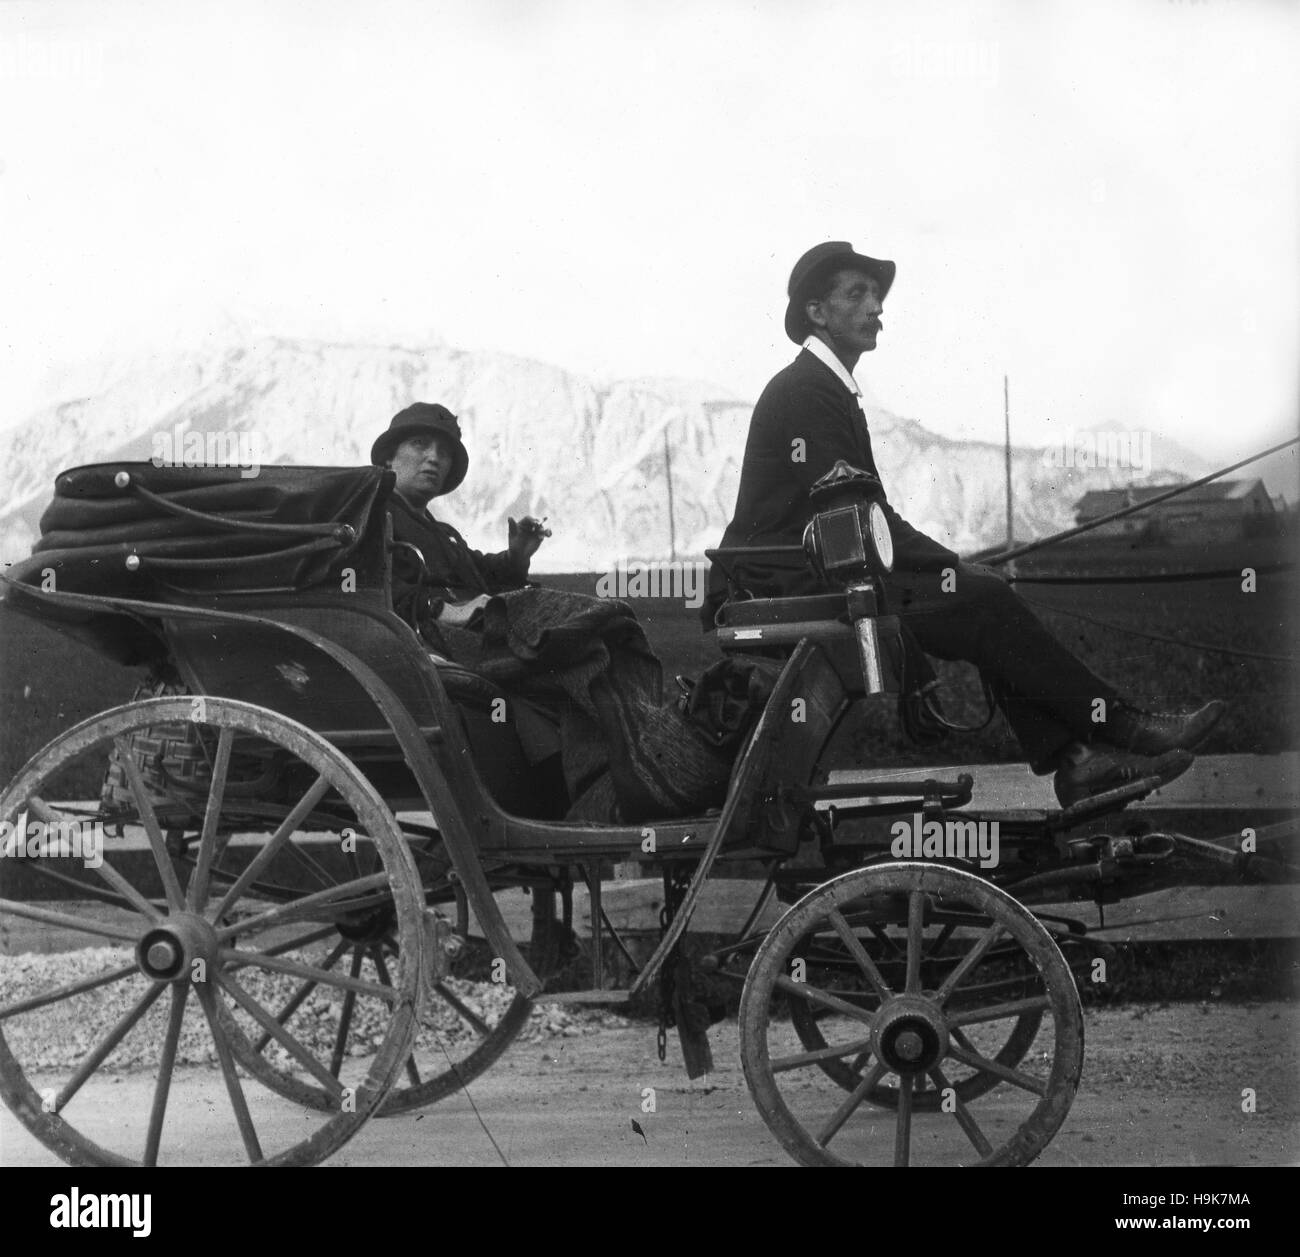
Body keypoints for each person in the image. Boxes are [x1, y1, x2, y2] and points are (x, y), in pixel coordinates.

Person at [702, 241, 1224, 808]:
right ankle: (1121, 732)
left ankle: (1081, 760)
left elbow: (863, 520)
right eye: (857, 293)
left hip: (815, 577)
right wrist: (952, 567)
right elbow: (861, 522)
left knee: (982, 596)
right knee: (983, 597)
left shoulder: (827, 389)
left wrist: (952, 570)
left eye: (876, 295)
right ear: (816, 312)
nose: (876, 307)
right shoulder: (808, 391)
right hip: (784, 587)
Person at [372, 403, 752, 822]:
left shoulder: (435, 529)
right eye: (421, 444)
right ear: (389, 457)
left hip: (480, 631)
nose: (434, 458)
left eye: (444, 451)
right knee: (592, 629)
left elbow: (477, 572)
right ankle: (646, 765)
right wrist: (444, 609)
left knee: (597, 639)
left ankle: (622, 769)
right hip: (442, 641)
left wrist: (516, 557)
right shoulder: (377, 517)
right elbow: (382, 590)